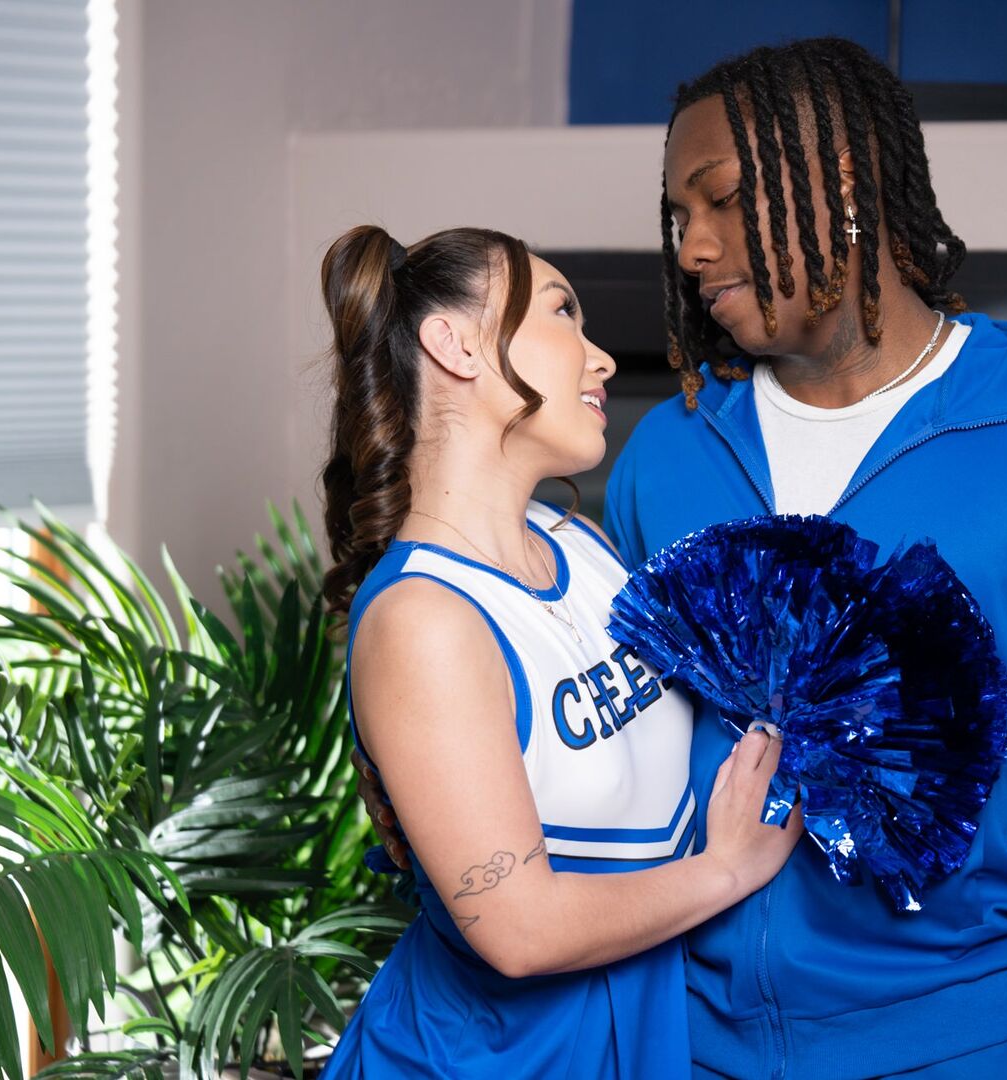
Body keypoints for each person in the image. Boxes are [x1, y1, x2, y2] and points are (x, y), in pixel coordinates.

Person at [362, 37, 1007, 1079]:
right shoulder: (667, 456)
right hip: (685, 1048)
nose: (692, 249)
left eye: (719, 199)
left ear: (842, 185)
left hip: (964, 1047)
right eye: (678, 218)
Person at [317, 224, 802, 1079]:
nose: (601, 358)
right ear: (456, 345)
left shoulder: (581, 544)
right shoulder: (423, 618)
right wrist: (726, 871)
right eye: (562, 313)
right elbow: (519, 930)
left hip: (635, 1039)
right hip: (486, 1060)